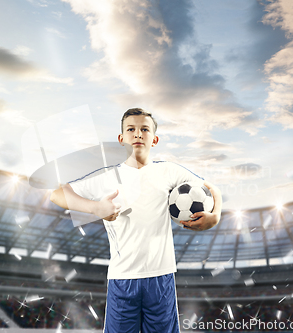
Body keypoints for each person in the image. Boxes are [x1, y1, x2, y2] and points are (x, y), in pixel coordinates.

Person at [50, 108, 222, 333]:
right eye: (131, 129)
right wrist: (95, 208)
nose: (138, 134)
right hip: (123, 278)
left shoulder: (169, 171)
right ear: (121, 139)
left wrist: (215, 216)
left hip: (161, 277)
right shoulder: (107, 177)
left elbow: (212, 187)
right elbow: (57, 194)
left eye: (144, 129)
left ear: (154, 138)